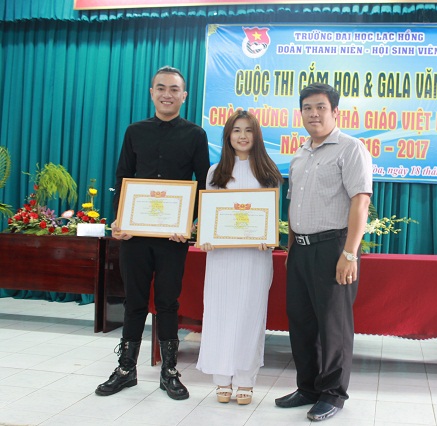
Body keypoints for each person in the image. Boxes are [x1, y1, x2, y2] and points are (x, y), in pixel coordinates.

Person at [96, 66, 210, 401]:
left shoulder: (195, 135)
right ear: (151, 93)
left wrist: (192, 224)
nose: (167, 94)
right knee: (134, 301)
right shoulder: (135, 131)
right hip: (136, 234)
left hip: (173, 237)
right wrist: (119, 220)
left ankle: (169, 372)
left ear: (184, 96)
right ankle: (125, 369)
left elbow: (204, 182)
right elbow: (123, 177)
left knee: (167, 302)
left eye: (174, 89)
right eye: (161, 88)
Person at [275, 83, 373, 421]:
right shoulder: (300, 154)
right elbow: (295, 206)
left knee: (334, 325)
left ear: (335, 112)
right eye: (307, 108)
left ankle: (333, 394)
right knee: (301, 321)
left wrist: (350, 253)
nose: (313, 114)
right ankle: (308, 387)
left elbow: (361, 201)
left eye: (320, 107)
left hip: (333, 248)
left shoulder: (351, 148)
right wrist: (291, 248)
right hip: (300, 250)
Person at [196, 110, 283, 405]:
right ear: (227, 136)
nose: (242, 136)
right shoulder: (215, 172)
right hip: (221, 257)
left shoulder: (269, 172)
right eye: (236, 130)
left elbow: (272, 217)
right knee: (219, 313)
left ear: (257, 135)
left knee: (249, 315)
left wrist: (268, 237)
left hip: (255, 258)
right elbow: (210, 216)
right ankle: (221, 378)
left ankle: (245, 379)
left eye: (248, 130)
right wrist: (207, 236)